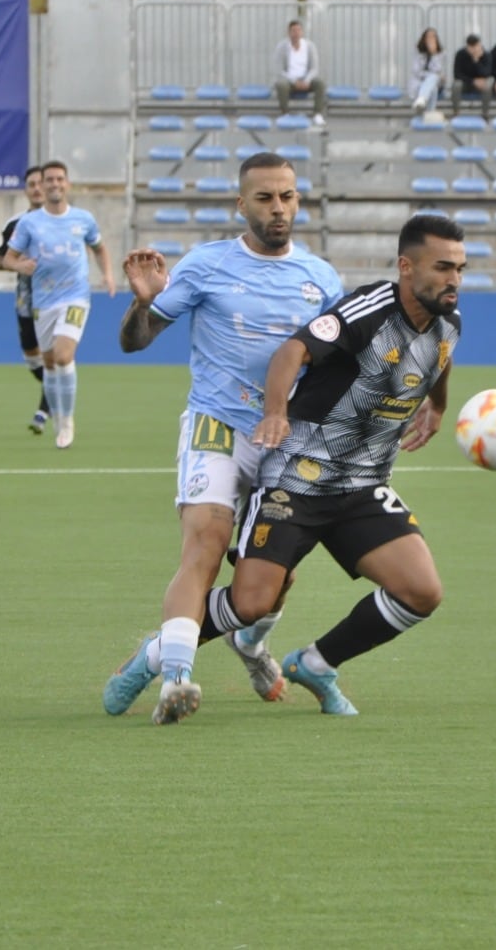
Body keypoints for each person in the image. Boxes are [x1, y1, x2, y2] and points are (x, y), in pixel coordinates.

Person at [103, 152, 346, 725]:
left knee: (274, 579)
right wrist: (143, 303)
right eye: (264, 198)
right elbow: (135, 342)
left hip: (286, 438)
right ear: (242, 205)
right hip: (216, 424)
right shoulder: (205, 265)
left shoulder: (322, 279)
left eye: (286, 196)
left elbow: (340, 366)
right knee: (206, 543)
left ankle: (249, 645)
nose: (278, 208)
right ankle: (175, 676)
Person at [202, 213, 467, 717]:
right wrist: (276, 413)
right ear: (406, 267)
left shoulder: (448, 320)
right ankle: (161, 652)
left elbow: (441, 354)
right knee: (250, 602)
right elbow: (293, 350)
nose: (454, 279)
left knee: (422, 592)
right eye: (443, 267)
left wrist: (438, 404)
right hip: (296, 475)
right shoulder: (368, 309)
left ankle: (317, 663)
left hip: (362, 485)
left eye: (460, 268)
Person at [0, 160, 114, 450]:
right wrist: (20, 265)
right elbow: (7, 258)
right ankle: (57, 417)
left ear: (67, 184)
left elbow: (99, 248)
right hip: (43, 301)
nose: (53, 184)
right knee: (49, 365)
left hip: (75, 296)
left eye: (59, 179)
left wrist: (108, 274)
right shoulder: (29, 223)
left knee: (63, 357)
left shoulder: (83, 219)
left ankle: (67, 421)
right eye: (48, 179)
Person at [0, 166, 50, 434]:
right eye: (31, 184)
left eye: (41, 183)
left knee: (55, 354)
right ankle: (57, 389)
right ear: (26, 190)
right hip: (26, 299)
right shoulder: (15, 224)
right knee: (31, 357)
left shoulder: (65, 220)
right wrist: (19, 266)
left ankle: (45, 408)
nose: (37, 188)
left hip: (57, 297)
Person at [272, 19, 328, 128]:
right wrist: (294, 81)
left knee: (320, 83)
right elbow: (279, 70)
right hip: (290, 80)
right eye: (293, 31)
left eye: (298, 30)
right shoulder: (282, 47)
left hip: (306, 79)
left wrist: (306, 80)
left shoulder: (310, 46)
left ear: (302, 32)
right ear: (289, 33)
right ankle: (285, 113)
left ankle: (317, 114)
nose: (296, 33)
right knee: (280, 85)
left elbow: (314, 68)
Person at [451, 34, 494, 117]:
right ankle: (456, 113)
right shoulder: (460, 54)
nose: (474, 49)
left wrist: (476, 61)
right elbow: (457, 74)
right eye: (471, 47)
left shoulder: (487, 55)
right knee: (456, 85)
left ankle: (485, 114)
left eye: (476, 46)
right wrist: (472, 81)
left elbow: (487, 73)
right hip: (466, 83)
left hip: (481, 83)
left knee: (487, 85)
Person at [408, 27, 446, 114]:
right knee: (433, 85)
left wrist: (434, 54)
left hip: (434, 83)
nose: (431, 40)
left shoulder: (440, 53)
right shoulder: (417, 51)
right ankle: (429, 112)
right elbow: (416, 71)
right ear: (424, 39)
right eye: (428, 37)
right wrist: (430, 76)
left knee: (433, 80)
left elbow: (437, 70)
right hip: (418, 83)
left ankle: (421, 100)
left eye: (433, 37)